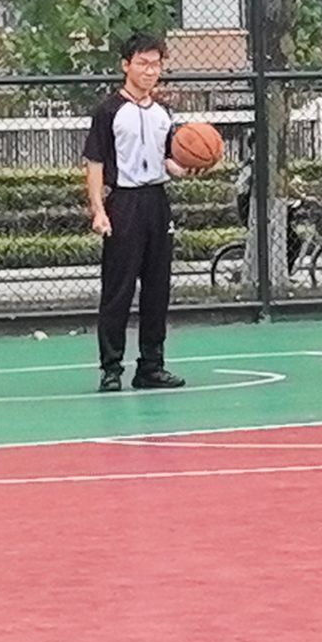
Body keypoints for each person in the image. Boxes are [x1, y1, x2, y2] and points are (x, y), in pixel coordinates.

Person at [84, 33, 190, 393]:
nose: (150, 70)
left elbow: (169, 159)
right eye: (143, 63)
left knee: (157, 288)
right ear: (126, 65)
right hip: (124, 202)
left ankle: (151, 366)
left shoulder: (163, 113)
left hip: (157, 201)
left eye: (156, 64)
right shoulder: (108, 111)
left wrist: (187, 164)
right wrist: (99, 210)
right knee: (118, 288)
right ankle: (111, 368)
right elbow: (94, 163)